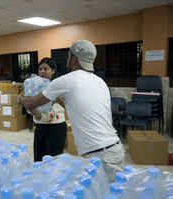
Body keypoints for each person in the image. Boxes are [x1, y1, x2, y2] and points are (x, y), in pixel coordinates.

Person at [20, 40, 125, 182]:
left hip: (99, 155)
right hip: (115, 149)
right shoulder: (100, 82)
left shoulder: (65, 81)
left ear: (74, 59)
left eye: (69, 56)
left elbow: (30, 103)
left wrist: (21, 97)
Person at [30, 58, 67, 162]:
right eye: (40, 69)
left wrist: (55, 99)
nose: (42, 71)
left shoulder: (59, 85)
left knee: (54, 160)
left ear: (53, 71)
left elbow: (66, 104)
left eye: (46, 69)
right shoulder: (34, 86)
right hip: (40, 126)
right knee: (39, 159)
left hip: (56, 126)